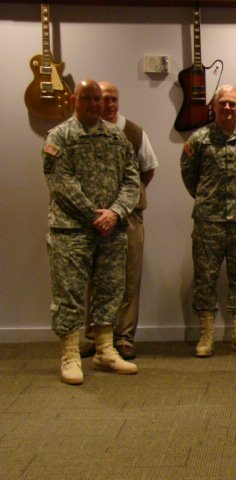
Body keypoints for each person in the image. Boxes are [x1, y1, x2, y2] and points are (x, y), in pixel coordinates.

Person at [43, 79, 140, 385]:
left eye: (99, 99)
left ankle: (105, 351)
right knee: (69, 293)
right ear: (75, 99)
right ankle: (71, 355)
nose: (95, 104)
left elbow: (132, 178)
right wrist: (93, 215)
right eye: (88, 98)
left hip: (112, 229)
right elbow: (61, 182)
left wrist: (115, 213)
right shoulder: (60, 136)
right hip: (71, 230)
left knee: (110, 290)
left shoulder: (116, 136)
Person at [80, 81, 159, 360]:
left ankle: (123, 338)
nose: (109, 105)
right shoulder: (81, 132)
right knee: (94, 280)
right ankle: (94, 337)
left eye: (113, 99)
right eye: (103, 99)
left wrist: (130, 200)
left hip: (129, 219)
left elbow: (147, 170)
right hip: (95, 220)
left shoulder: (134, 132)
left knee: (129, 280)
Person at [180, 84, 236, 357]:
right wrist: (207, 198)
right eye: (222, 103)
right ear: (213, 107)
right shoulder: (198, 140)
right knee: (205, 278)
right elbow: (189, 176)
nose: (227, 108)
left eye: (232, 104)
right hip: (208, 222)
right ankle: (206, 337)